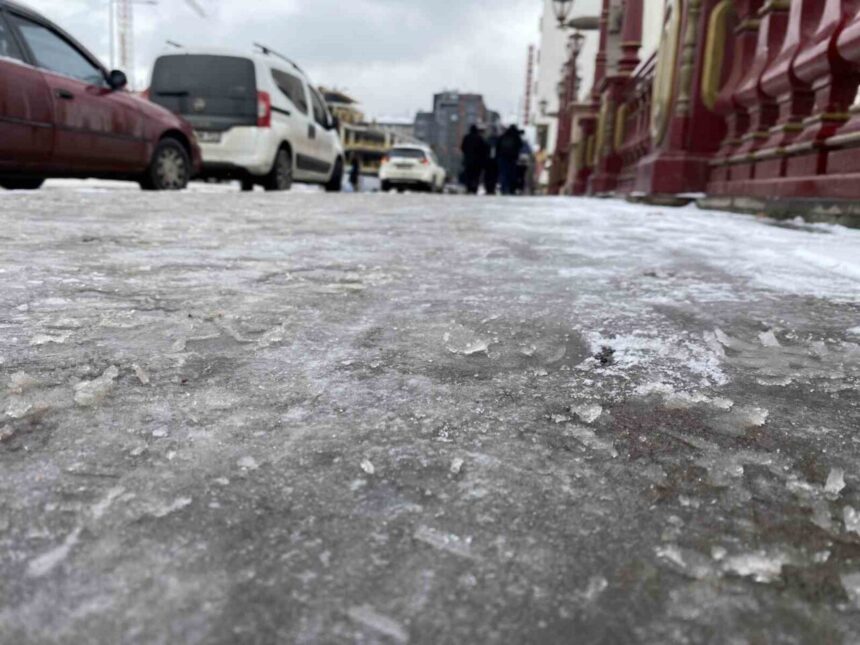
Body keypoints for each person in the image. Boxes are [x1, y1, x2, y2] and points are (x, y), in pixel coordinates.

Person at [461, 125, 488, 195]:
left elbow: (462, 148)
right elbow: (484, 150)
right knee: (476, 176)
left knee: (468, 175)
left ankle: (468, 187)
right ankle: (474, 188)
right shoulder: (479, 138)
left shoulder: (466, 137)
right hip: (477, 162)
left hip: (468, 161)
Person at [497, 125, 523, 196]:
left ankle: (503, 188)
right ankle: (511, 189)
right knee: (512, 174)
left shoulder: (503, 136)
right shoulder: (516, 137)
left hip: (503, 158)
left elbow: (498, 146)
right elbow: (520, 145)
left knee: (503, 173)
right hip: (512, 158)